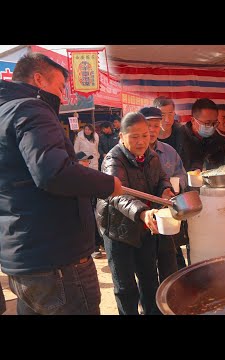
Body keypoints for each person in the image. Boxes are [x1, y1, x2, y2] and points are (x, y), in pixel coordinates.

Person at [0, 52, 122, 315]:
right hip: (56, 260)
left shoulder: (4, 112)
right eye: (59, 87)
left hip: (24, 258)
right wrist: (107, 183)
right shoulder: (32, 108)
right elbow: (52, 173)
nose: (63, 97)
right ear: (38, 78)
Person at [96, 112, 175, 315]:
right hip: (118, 231)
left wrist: (166, 190)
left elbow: (162, 179)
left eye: (144, 136)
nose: (141, 142)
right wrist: (142, 212)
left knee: (149, 280)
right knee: (125, 287)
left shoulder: (152, 156)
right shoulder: (113, 159)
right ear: (121, 136)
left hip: (145, 226)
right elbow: (117, 195)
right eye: (134, 136)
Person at [139, 106, 188, 278]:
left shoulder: (168, 151)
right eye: (148, 126)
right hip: (144, 217)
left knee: (171, 262)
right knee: (147, 269)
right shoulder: (133, 153)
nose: (152, 130)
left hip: (167, 215)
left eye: (155, 125)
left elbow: (181, 173)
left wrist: (176, 186)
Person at [178, 98, 225, 171]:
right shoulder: (178, 137)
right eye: (207, 123)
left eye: (214, 123)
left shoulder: (220, 141)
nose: (211, 127)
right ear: (193, 120)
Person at [76, 151, 104, 259]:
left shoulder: (89, 173)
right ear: (77, 162)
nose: (87, 163)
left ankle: (97, 246)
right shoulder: (74, 176)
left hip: (92, 205)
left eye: (87, 160)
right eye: (84, 160)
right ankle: (93, 248)